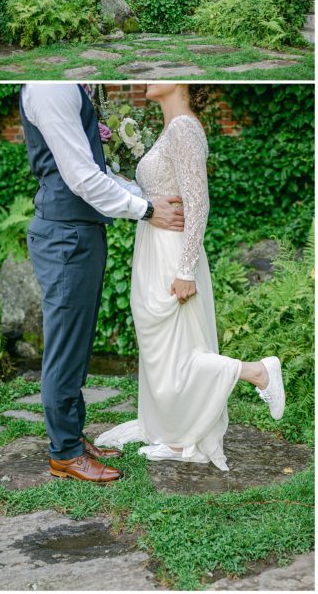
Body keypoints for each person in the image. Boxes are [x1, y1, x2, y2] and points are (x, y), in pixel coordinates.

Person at [95, 84, 285, 471]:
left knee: (181, 355)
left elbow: (197, 201)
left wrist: (185, 269)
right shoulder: (171, 128)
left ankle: (258, 372)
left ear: (181, 81)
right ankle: (174, 433)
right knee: (162, 355)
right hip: (153, 247)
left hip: (172, 253)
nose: (148, 79)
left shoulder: (183, 128)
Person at [20, 83, 185, 484]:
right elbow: (80, 178)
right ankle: (64, 454)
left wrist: (141, 193)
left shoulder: (68, 85)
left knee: (77, 345)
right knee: (64, 349)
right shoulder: (49, 88)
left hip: (81, 233)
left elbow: (96, 168)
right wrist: (145, 209)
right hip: (65, 236)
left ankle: (73, 436)